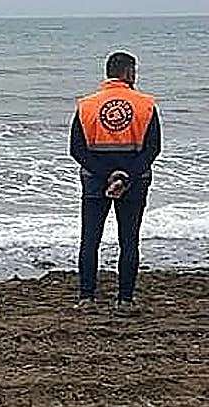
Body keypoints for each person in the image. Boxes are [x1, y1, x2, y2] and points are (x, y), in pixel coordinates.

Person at [69, 51, 161, 310]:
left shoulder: (86, 105)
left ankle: (87, 298)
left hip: (95, 181)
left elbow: (77, 150)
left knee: (90, 240)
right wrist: (124, 176)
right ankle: (125, 300)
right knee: (129, 240)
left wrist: (106, 175)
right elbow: (152, 148)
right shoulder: (146, 105)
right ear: (128, 73)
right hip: (134, 182)